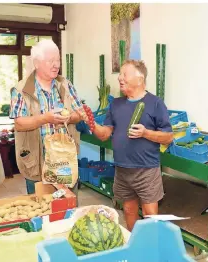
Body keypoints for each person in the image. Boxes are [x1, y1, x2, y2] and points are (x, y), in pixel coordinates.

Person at [86, 60, 174, 231]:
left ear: (140, 79)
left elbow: (168, 137)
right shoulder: (116, 104)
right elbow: (104, 135)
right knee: (128, 209)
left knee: (150, 215)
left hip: (146, 170)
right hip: (122, 169)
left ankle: (150, 249)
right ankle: (134, 245)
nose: (119, 78)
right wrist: (90, 121)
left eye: (124, 75)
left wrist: (146, 133)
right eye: (120, 75)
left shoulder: (155, 103)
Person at [9, 39, 83, 198]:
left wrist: (69, 118)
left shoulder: (65, 85)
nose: (56, 64)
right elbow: (19, 123)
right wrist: (45, 118)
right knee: (41, 210)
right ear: (36, 63)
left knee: (67, 207)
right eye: (51, 61)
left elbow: (80, 113)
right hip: (36, 162)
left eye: (58, 60)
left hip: (65, 162)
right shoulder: (21, 90)